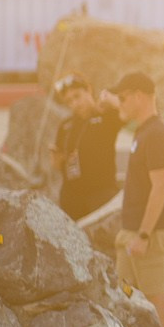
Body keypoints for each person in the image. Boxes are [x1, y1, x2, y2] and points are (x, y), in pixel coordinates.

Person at [112, 71, 164, 327]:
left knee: (153, 296)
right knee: (125, 291)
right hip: (132, 230)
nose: (119, 104)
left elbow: (160, 187)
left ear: (138, 96)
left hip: (150, 233)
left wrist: (144, 235)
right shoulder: (143, 131)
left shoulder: (157, 134)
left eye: (122, 98)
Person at [49, 73, 124, 220]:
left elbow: (131, 114)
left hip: (102, 195)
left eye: (77, 96)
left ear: (88, 90)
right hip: (72, 198)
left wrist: (110, 99)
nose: (75, 103)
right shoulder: (65, 125)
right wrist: (57, 161)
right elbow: (58, 163)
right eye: (69, 101)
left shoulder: (106, 117)